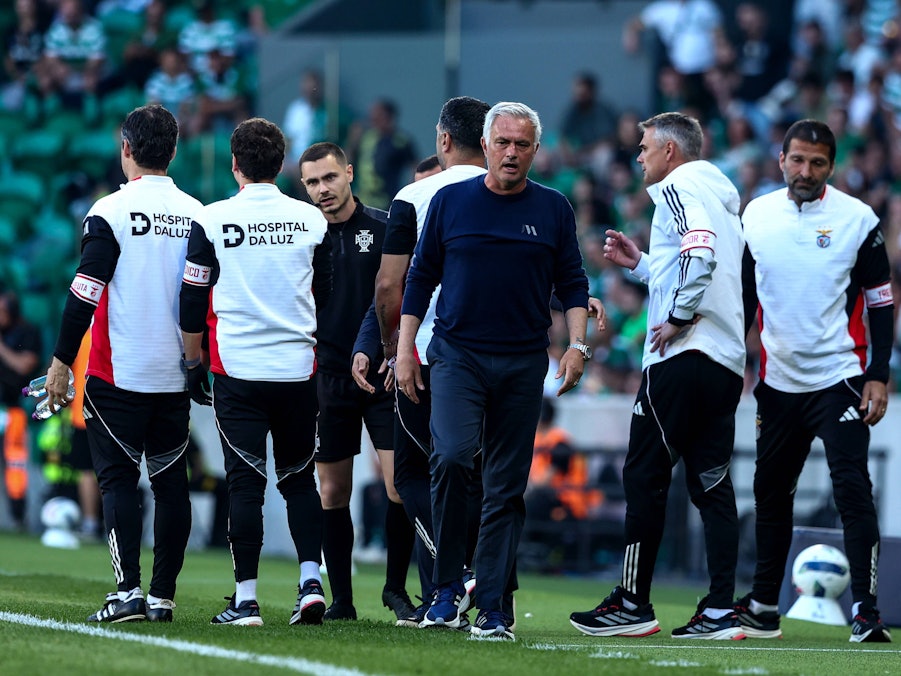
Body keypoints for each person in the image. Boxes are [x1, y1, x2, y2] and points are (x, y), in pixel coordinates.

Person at [395, 101, 590, 641]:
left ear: (534, 150)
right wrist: (406, 348)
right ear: (484, 146)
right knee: (453, 458)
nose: (511, 152)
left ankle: (494, 607)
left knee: (506, 485)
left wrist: (577, 346)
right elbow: (419, 278)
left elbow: (573, 282)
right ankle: (444, 589)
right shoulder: (451, 200)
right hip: (456, 355)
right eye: (502, 142)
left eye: (521, 144)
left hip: (524, 360)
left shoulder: (553, 207)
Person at [569, 112, 747, 640]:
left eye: (645, 147)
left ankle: (631, 603)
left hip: (682, 356)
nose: (639, 156)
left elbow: (699, 252)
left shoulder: (676, 185)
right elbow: (707, 262)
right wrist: (644, 264)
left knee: (643, 475)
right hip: (724, 361)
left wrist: (679, 317)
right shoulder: (722, 195)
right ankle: (719, 610)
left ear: (671, 151)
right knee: (711, 483)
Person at [736, 119, 893, 643]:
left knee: (852, 489)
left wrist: (879, 376)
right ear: (780, 159)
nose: (806, 172)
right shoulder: (755, 214)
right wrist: (734, 358)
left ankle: (867, 611)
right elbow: (740, 296)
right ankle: (762, 606)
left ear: (833, 166)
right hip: (776, 381)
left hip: (840, 377)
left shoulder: (858, 218)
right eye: (797, 160)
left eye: (818, 163)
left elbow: (881, 302)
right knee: (770, 492)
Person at [43, 104, 201, 623]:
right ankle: (162, 598)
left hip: (118, 373)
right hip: (175, 373)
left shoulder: (108, 211)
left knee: (117, 483)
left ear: (126, 150)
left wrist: (62, 361)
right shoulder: (198, 213)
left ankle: (127, 591)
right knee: (171, 485)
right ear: (174, 151)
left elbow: (83, 293)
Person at [179, 117, 332, 627]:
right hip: (296, 370)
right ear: (283, 164)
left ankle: (245, 600)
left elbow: (192, 296)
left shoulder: (211, 218)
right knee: (299, 480)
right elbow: (326, 295)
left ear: (235, 164)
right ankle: (311, 581)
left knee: (245, 484)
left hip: (238, 371)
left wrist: (192, 361)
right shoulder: (311, 220)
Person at [368, 96, 492, 628]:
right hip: (498, 358)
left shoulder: (414, 196)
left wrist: (395, 348)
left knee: (414, 472)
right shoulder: (519, 194)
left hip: (426, 353)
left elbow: (390, 284)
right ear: (489, 141)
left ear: (443, 140)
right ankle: (489, 595)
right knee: (482, 476)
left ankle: (454, 570)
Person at [298, 141, 414, 623]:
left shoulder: (386, 227)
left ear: (348, 173)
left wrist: (394, 350)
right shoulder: (301, 237)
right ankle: (342, 600)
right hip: (327, 378)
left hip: (384, 376)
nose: (322, 190)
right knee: (332, 493)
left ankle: (395, 589)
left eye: (329, 178)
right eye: (311, 183)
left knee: (398, 487)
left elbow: (404, 293)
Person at [0, 291, 42, 532]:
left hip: (15, 408)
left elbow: (23, 364)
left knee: (15, 465)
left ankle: (18, 517)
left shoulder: (26, 332)